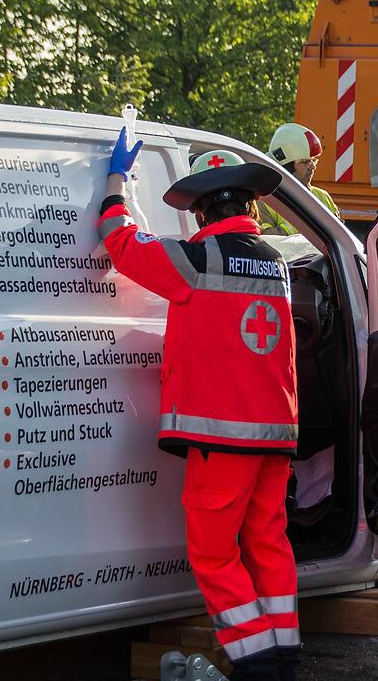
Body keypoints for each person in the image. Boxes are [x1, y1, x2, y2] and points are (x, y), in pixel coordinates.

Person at [99, 135, 301, 681]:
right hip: (275, 435)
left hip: (222, 438)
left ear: (202, 210)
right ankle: (284, 654)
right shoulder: (275, 264)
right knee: (267, 542)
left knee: (214, 554)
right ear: (250, 206)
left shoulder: (196, 261)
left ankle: (256, 662)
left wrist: (116, 185)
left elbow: (121, 243)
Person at [261, 123, 342, 235]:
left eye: (314, 160)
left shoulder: (323, 197)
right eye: (305, 162)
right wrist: (305, 223)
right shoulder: (264, 201)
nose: (312, 166)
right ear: (286, 166)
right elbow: (266, 241)